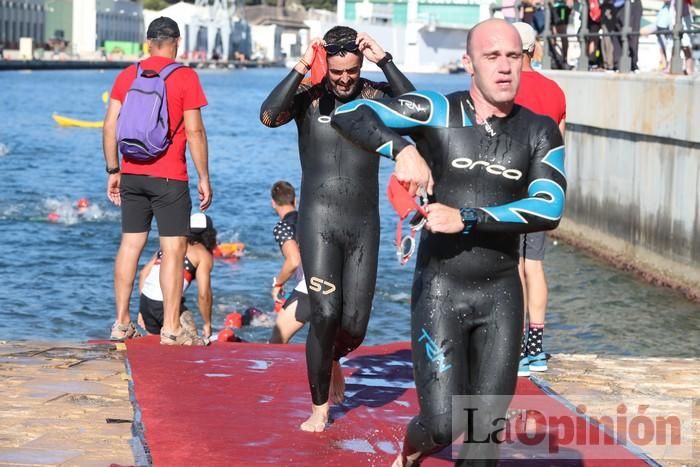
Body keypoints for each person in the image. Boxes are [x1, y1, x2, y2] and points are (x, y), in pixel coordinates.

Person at [331, 18, 566, 465]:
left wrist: (469, 218)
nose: (504, 68)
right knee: (443, 424)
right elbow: (347, 113)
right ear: (468, 63)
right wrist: (401, 149)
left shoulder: (539, 131)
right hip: (441, 289)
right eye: (491, 57)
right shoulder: (437, 110)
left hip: (501, 292)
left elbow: (549, 208)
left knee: (484, 433)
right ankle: (410, 453)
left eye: (513, 57)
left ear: (525, 61)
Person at [260, 26, 414, 432]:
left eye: (351, 70)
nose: (344, 79)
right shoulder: (310, 100)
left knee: (355, 327)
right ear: (325, 64)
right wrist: (301, 67)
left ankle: (329, 358)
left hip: (364, 225)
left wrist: (386, 61)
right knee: (325, 314)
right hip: (319, 223)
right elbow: (267, 115)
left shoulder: (375, 97)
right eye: (336, 71)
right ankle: (319, 408)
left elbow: (419, 111)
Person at [104, 16, 212, 345]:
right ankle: (171, 329)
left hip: (132, 172)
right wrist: (204, 176)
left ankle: (122, 322)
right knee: (173, 249)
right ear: (176, 42)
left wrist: (113, 170)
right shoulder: (185, 77)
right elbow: (194, 130)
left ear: (148, 41)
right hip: (169, 177)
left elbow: (110, 126)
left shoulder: (128, 74)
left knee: (131, 246)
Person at [512, 22, 566, 377]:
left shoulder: (506, 86)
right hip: (545, 188)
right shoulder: (555, 91)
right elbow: (560, 144)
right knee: (535, 265)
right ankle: (536, 351)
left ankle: (514, 348)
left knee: (512, 265)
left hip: (512, 188)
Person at [138, 213, 216, 343]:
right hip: (167, 303)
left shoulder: (170, 245)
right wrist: (207, 323)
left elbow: (144, 273)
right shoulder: (203, 254)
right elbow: (204, 294)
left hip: (146, 300)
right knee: (191, 343)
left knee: (156, 345)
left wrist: (142, 308)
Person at [267, 181, 311, 344]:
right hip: (332, 282)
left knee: (276, 341)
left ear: (273, 203)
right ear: (295, 200)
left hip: (309, 288)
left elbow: (293, 261)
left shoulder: (283, 226)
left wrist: (278, 283)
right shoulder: (310, 219)